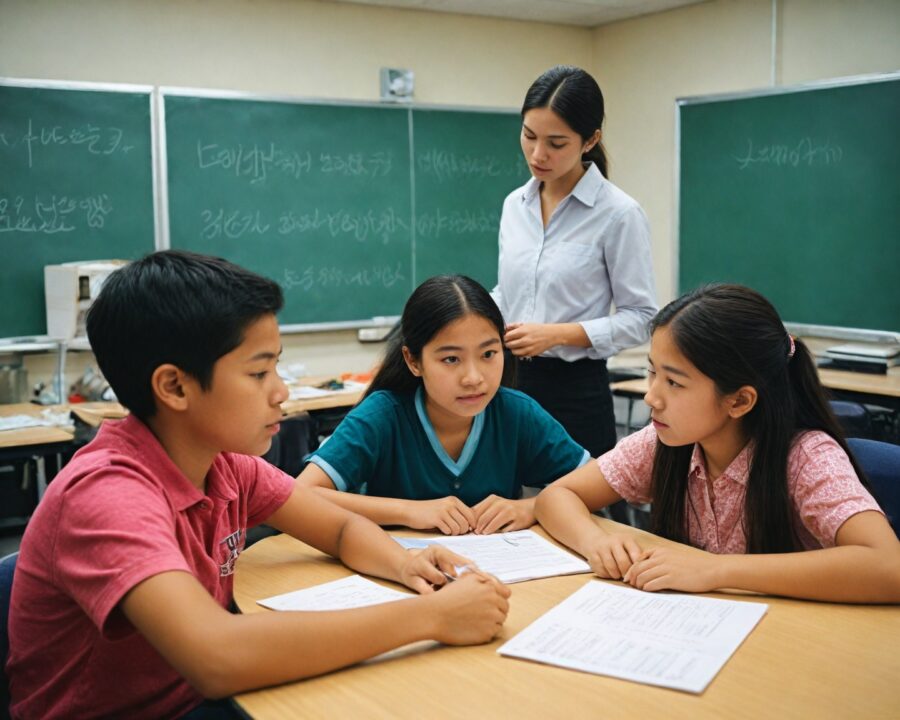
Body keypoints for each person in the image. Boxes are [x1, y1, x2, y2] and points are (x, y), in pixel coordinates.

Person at [7, 251, 511, 720]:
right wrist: (430, 617)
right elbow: (217, 656)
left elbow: (337, 531)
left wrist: (407, 564)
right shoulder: (108, 495)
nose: (282, 391)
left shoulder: (225, 465)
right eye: (260, 371)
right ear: (175, 386)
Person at [535, 284, 900, 604]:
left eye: (674, 383)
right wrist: (595, 543)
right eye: (652, 372)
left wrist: (716, 570)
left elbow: (888, 567)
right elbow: (557, 496)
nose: (651, 397)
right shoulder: (665, 441)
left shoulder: (807, 457)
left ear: (739, 401)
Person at [297, 274, 590, 536]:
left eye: (488, 354)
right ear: (413, 361)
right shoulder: (383, 415)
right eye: (451, 359)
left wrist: (532, 507)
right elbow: (301, 495)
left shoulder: (516, 413)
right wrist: (409, 511)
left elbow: (596, 482)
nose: (474, 378)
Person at [492, 64, 657, 463]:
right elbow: (507, 293)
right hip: (507, 381)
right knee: (507, 506)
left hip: (575, 392)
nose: (537, 154)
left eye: (556, 143)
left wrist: (558, 334)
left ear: (590, 140)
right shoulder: (515, 204)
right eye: (529, 136)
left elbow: (642, 317)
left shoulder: (619, 214)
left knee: (574, 511)